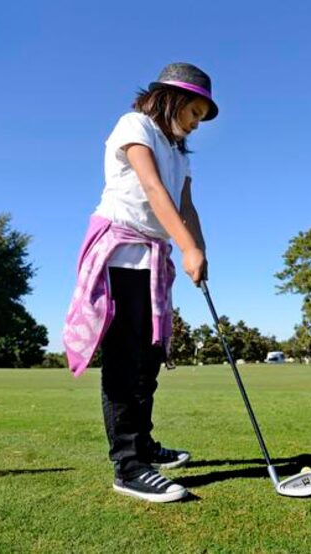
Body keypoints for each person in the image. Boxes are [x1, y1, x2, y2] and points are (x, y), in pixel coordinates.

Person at [63, 62, 218, 503]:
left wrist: (199, 250)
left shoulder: (180, 152)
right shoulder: (135, 125)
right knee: (124, 360)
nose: (194, 124)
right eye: (193, 112)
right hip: (119, 255)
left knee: (149, 357)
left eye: (200, 120)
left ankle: (145, 444)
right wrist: (187, 248)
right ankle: (129, 466)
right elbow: (153, 189)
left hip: (153, 259)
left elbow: (185, 205)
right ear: (170, 98)